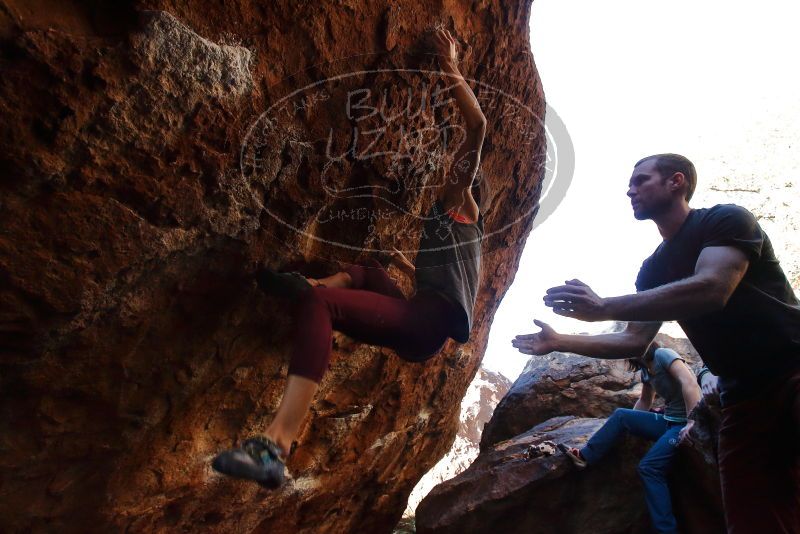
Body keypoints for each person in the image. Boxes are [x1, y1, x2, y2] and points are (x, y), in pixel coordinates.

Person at [212, 28, 488, 489]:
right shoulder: (448, 229)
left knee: (322, 307)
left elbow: (477, 129)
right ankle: (311, 287)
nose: (447, 173)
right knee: (371, 270)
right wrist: (402, 263)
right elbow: (435, 278)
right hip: (423, 315)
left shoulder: (461, 204)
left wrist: (450, 65)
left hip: (425, 326)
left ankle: (274, 447)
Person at [513, 153, 800, 533]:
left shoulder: (725, 220)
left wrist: (602, 306)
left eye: (641, 180)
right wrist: (559, 341)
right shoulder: (652, 270)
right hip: (743, 401)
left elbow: (714, 288)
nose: (630, 190)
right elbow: (633, 340)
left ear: (675, 182)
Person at [556, 342, 701, 533]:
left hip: (683, 423)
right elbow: (645, 400)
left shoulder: (663, 355)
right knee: (621, 415)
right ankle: (585, 456)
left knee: (649, 468)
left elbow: (689, 381)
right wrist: (631, 423)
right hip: (667, 421)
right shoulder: (645, 370)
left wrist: (693, 420)